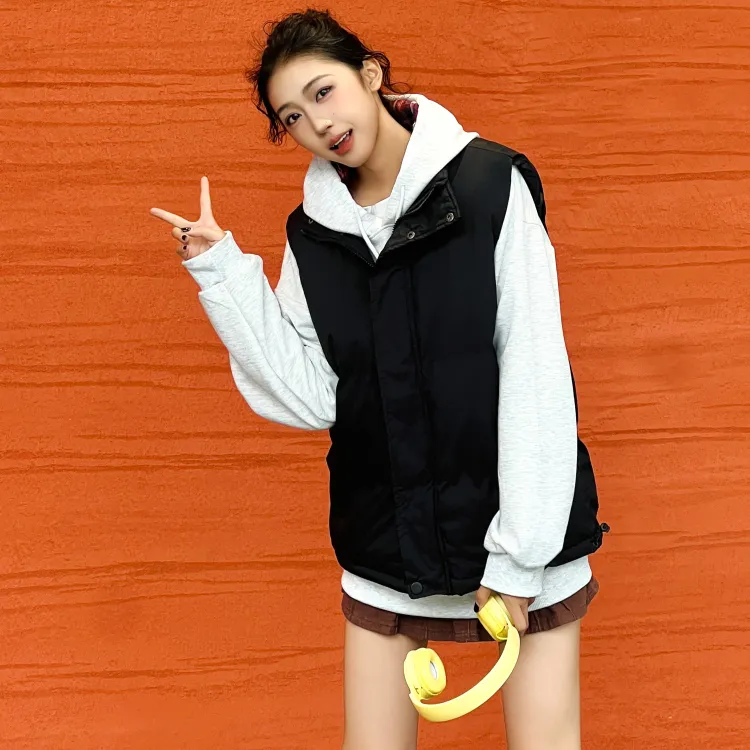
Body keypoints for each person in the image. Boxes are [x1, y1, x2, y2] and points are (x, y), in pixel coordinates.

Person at [149, 9, 609, 749]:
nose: (317, 124)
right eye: (292, 117)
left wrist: (519, 559)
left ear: (370, 75)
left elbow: (535, 375)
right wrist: (221, 272)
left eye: (323, 92)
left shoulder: (491, 184)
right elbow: (314, 395)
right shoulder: (313, 233)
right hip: (386, 539)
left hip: (524, 539)